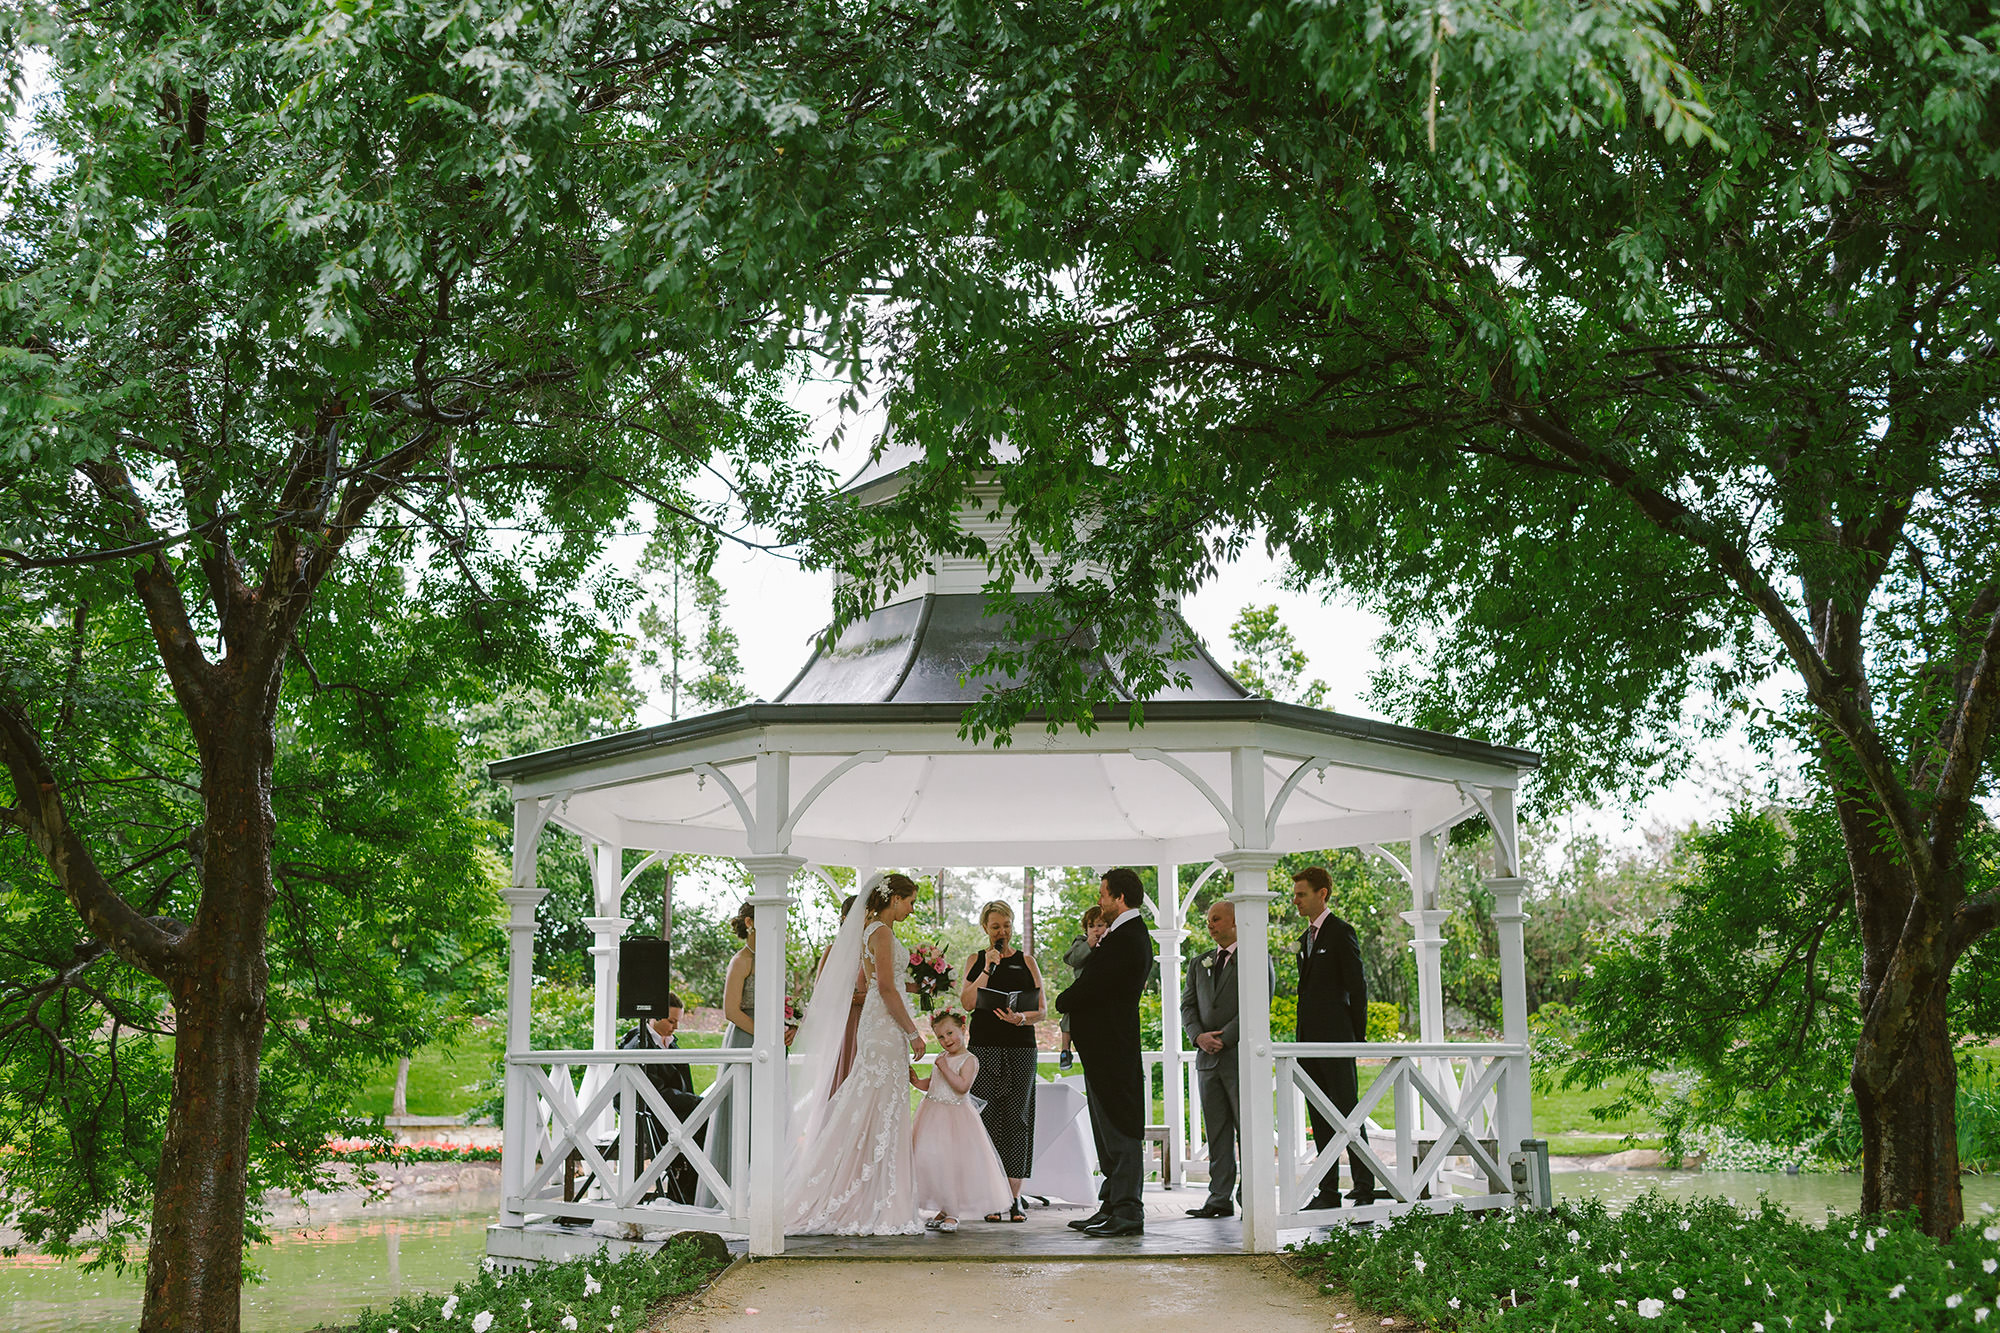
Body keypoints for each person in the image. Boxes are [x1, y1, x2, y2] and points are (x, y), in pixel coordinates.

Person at [784, 873, 929, 1235]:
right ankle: (870, 1197)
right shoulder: (880, 932)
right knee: (876, 1107)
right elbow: (884, 987)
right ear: (894, 898)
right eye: (910, 902)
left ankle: (875, 1194)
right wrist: (913, 1033)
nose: (911, 910)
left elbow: (886, 983)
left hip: (878, 1026)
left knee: (875, 1108)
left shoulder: (873, 933)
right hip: (883, 1029)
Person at [1055, 866, 1154, 1237]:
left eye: (1103, 894)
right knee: (1105, 1127)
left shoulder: (1129, 936)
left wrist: (1064, 999)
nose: (1099, 900)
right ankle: (1112, 1203)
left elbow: (1096, 986)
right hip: (1101, 1049)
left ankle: (1129, 1210)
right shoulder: (1118, 935)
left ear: (1119, 897)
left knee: (1120, 1126)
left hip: (1114, 1048)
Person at [1179, 901, 1273, 1219]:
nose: (1210, 925)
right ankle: (1219, 1197)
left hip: (1240, 1058)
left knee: (1247, 1129)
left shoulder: (1256, 956)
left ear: (1235, 921)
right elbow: (1187, 1006)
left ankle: (1252, 1198)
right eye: (1208, 920)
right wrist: (1199, 1037)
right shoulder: (1199, 963)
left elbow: (1259, 1003)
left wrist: (1225, 1037)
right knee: (1216, 1131)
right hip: (1207, 1059)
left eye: (1216, 919)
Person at [1292, 865, 1378, 1208]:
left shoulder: (1341, 932)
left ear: (1321, 894)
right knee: (1319, 1117)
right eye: (1295, 894)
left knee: (1347, 1114)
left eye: (1302, 894)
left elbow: (1357, 986)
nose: (1296, 901)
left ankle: (1365, 1184)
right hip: (1308, 1041)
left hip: (1337, 1039)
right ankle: (1327, 1191)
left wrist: (1356, 1037)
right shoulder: (1305, 938)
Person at [959, 899, 1045, 1222]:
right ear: (985, 928)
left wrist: (1021, 1018)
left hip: (1021, 1047)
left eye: (1007, 926)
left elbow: (1043, 1010)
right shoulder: (976, 960)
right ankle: (990, 1196)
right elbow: (967, 1002)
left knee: (1018, 1120)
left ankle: (1013, 1198)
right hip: (984, 1049)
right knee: (987, 1119)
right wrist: (987, 968)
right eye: (996, 926)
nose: (1002, 932)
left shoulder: (1028, 962)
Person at [908, 1009, 1012, 1233]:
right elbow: (935, 1083)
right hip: (932, 1113)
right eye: (941, 1037)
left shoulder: (969, 1060)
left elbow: (961, 1087)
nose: (946, 1040)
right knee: (931, 1161)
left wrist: (944, 1067)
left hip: (955, 1118)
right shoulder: (943, 1058)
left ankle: (953, 1213)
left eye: (950, 1033)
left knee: (952, 1164)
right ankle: (944, 1208)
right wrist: (917, 1082)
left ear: (963, 1029)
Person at [616, 993, 704, 1204]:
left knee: (707, 1121)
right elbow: (651, 1092)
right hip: (648, 1114)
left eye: (677, 1022)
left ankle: (688, 1194)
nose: (675, 1027)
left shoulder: (671, 1044)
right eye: (671, 1021)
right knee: (702, 1126)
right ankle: (683, 1194)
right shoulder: (638, 1044)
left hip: (673, 1111)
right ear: (654, 1017)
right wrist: (693, 1103)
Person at [816, 894, 867, 1095]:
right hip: (843, 1022)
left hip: (870, 1019)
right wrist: (854, 998)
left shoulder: (874, 949)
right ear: (845, 918)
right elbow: (821, 994)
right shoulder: (832, 951)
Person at [1057, 905, 1106, 1072]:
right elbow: (1072, 959)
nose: (1096, 930)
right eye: (1091, 926)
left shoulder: (1111, 942)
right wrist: (1088, 945)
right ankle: (1065, 1050)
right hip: (1082, 987)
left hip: (1101, 992)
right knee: (1068, 1015)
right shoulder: (1081, 941)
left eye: (1100, 925)